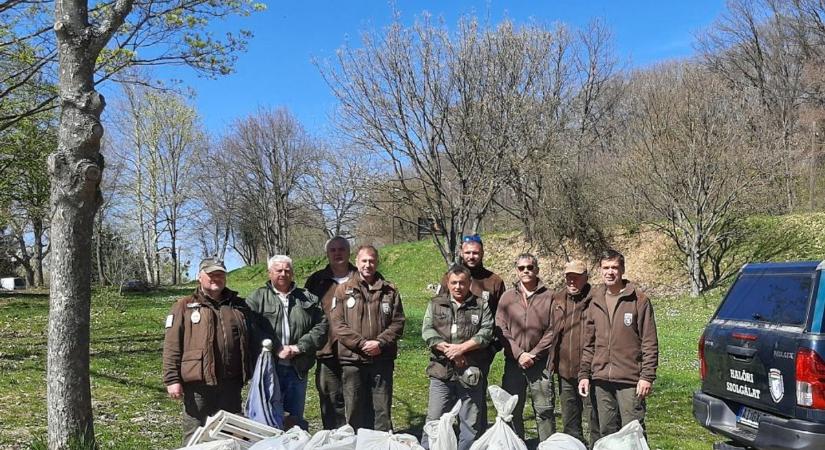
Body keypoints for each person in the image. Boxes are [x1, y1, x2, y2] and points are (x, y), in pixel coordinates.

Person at [162, 257, 252, 444]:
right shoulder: (183, 306)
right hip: (198, 386)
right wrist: (172, 379)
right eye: (211, 274)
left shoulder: (239, 306)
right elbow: (171, 345)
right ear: (199, 277)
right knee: (195, 436)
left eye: (220, 274)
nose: (216, 278)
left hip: (231, 384)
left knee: (229, 435)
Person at [578, 249, 659, 436]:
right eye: (606, 267)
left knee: (632, 431)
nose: (610, 272)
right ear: (600, 270)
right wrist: (583, 374)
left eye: (614, 267)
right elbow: (588, 343)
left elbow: (649, 342)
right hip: (601, 379)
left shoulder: (638, 300)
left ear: (622, 269)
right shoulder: (594, 300)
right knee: (606, 431)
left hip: (630, 379)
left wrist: (646, 377)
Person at [246, 255, 327, 430]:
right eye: (278, 270)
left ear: (292, 273)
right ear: (269, 272)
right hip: (269, 368)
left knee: (294, 421)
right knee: (265, 418)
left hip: (297, 368)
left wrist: (299, 347)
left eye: (287, 270)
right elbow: (250, 327)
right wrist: (276, 348)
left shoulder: (308, 298)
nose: (283, 274)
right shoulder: (257, 298)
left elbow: (322, 327)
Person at [330, 245, 406, 431]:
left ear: (377, 262)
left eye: (371, 261)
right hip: (352, 360)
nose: (368, 265)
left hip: (382, 359)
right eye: (364, 260)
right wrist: (362, 344)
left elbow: (398, 322)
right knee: (355, 409)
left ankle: (380, 443)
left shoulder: (390, 290)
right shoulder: (343, 290)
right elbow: (338, 325)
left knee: (382, 409)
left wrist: (379, 343)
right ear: (356, 262)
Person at [421, 265, 494, 450]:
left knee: (470, 424)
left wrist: (462, 349)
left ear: (470, 283)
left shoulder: (481, 305)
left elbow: (486, 332)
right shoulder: (436, 303)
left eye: (462, 282)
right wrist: (445, 348)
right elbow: (427, 329)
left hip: (470, 371)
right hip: (441, 371)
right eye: (454, 282)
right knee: (434, 421)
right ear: (448, 283)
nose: (458, 287)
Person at [439, 234, 506, 424]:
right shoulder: (448, 278)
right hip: (450, 352)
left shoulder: (494, 281)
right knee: (449, 400)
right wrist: (448, 348)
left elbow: (502, 317)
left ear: (482, 253)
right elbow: (439, 313)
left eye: (475, 253)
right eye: (467, 252)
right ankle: (450, 438)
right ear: (461, 252)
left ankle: (476, 439)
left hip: (479, 353)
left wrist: (493, 348)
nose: (471, 256)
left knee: (475, 402)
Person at [496, 253, 557, 441]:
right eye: (522, 268)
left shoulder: (550, 296)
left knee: (544, 410)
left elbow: (554, 329)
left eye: (530, 267)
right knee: (512, 409)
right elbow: (500, 328)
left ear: (537, 269)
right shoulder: (507, 297)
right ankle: (515, 444)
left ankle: (547, 445)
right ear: (517, 271)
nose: (526, 271)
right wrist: (519, 354)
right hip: (514, 363)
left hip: (540, 364)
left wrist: (533, 354)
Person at [305, 236, 358, 429]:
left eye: (342, 249)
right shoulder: (316, 281)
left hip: (356, 353)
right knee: (330, 401)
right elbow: (306, 315)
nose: (338, 253)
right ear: (327, 254)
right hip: (326, 350)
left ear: (349, 252)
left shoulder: (360, 276)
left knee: (356, 401)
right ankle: (333, 440)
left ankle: (356, 440)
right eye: (333, 250)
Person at [552, 260, 600, 446]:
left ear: (586, 278)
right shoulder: (557, 299)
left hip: (591, 372)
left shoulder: (596, 299)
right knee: (570, 421)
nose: (572, 281)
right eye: (569, 277)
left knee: (594, 419)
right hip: (565, 371)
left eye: (577, 277)